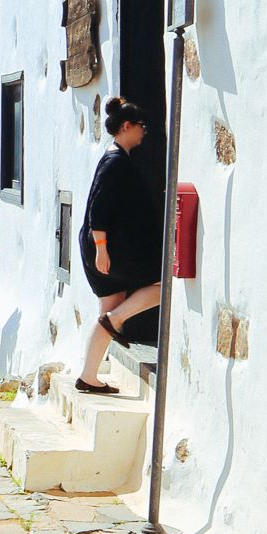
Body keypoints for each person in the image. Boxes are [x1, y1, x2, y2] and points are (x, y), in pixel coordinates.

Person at [77, 96, 163, 394]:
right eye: (141, 126)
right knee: (164, 285)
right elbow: (98, 210)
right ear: (126, 126)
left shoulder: (117, 157)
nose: (144, 131)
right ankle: (117, 320)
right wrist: (101, 248)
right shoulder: (115, 162)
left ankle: (88, 377)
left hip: (107, 249)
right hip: (108, 250)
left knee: (107, 313)